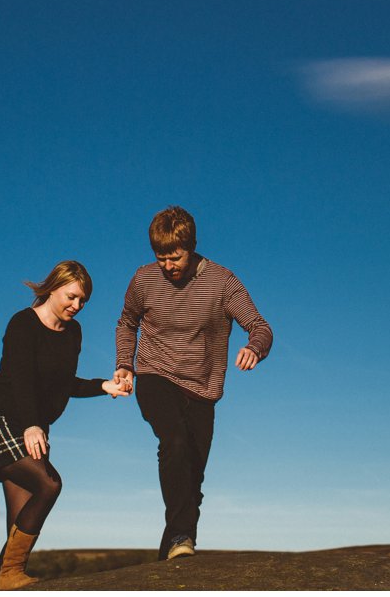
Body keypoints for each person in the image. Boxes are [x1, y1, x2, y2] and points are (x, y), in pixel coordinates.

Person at [114, 206, 273, 561]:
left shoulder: (222, 282)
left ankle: (173, 550)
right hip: (155, 375)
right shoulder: (143, 279)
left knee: (193, 480)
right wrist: (125, 364)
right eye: (161, 258)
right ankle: (182, 536)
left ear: (193, 245)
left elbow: (260, 327)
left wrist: (254, 347)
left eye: (175, 257)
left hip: (202, 387)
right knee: (174, 440)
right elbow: (127, 323)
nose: (168, 266)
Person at [0, 260, 130, 590]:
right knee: (49, 484)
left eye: (83, 301)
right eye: (72, 297)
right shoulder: (23, 324)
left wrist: (105, 386)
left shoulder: (73, 333)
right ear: (54, 288)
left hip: (32, 426)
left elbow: (63, 383)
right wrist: (31, 425)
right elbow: (21, 379)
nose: (77, 306)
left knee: (20, 515)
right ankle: (10, 573)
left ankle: (5, 582)